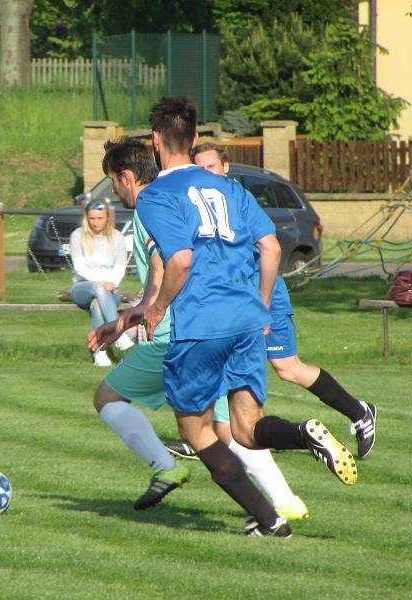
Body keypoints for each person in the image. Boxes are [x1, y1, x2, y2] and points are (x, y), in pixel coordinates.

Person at [93, 97, 356, 539]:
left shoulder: (156, 195)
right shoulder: (231, 188)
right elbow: (271, 248)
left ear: (156, 141)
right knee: (247, 430)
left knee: (197, 432)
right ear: (195, 139)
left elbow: (177, 260)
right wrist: (262, 303)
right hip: (248, 320)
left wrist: (154, 310)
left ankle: (271, 520)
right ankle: (303, 434)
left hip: (201, 326)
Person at [90, 139, 307, 521]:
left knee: (113, 399)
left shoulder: (150, 206)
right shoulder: (181, 199)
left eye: (113, 182)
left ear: (127, 177)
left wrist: (150, 310)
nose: (114, 191)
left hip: (181, 336)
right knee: (231, 429)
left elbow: (164, 262)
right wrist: (131, 315)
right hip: (219, 326)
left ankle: (168, 467)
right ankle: (286, 501)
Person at [183, 143, 377, 459]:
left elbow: (269, 249)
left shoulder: (237, 200)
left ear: (226, 167)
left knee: (287, 368)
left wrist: (261, 306)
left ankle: (359, 411)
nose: (205, 173)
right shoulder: (204, 203)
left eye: (211, 167)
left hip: (264, 298)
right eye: (199, 168)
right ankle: (202, 435)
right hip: (236, 303)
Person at [69, 196, 133, 366]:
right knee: (97, 287)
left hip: (111, 289)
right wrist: (102, 284)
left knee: (97, 304)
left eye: (99, 218)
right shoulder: (77, 236)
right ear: (86, 218)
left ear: (107, 218)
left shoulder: (117, 237)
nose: (95, 222)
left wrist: (110, 284)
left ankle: (99, 352)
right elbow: (80, 267)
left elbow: (120, 267)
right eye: (92, 218)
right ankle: (119, 333)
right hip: (83, 287)